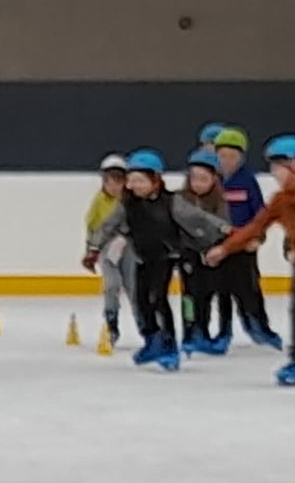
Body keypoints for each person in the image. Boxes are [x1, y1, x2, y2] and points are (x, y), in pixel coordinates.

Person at [209, 136, 295, 385]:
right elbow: (254, 227)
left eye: (280, 166)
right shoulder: (281, 200)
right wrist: (226, 249)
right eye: (273, 167)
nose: (275, 173)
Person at [83, 150, 228, 372]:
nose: (134, 186)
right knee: (141, 301)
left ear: (155, 180)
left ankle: (169, 346)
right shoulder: (127, 204)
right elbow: (108, 225)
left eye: (140, 181)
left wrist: (222, 229)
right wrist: (93, 248)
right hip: (142, 258)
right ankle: (152, 340)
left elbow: (197, 217)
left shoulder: (172, 202)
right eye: (131, 181)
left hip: (165, 257)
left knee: (157, 298)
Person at [211, 127, 281, 348]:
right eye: (222, 156)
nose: (227, 161)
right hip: (219, 246)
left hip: (244, 246)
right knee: (222, 291)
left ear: (241, 157)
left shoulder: (248, 180)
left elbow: (260, 213)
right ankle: (224, 331)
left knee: (249, 289)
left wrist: (257, 238)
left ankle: (260, 326)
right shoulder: (211, 180)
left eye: (232, 156)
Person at [176, 149, 233, 355]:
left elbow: (223, 226)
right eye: (194, 178)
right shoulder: (179, 200)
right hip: (188, 254)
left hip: (213, 254)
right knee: (190, 296)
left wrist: (214, 247)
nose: (198, 183)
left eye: (203, 179)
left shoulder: (220, 202)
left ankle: (221, 331)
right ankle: (191, 332)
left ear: (214, 179)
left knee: (213, 293)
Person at [84, 154, 138, 344]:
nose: (114, 187)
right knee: (111, 285)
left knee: (134, 287)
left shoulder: (132, 201)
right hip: (107, 249)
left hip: (130, 248)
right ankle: (111, 324)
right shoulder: (99, 202)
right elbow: (93, 226)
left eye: (118, 182)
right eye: (109, 182)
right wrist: (90, 250)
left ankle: (144, 324)